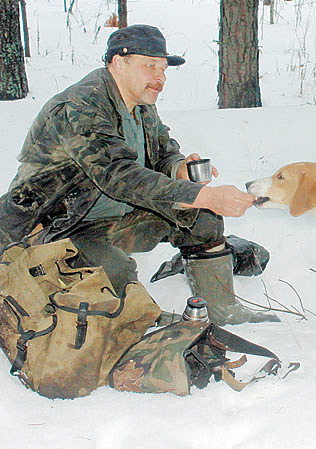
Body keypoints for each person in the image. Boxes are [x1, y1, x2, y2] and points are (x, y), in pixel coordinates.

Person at [0, 24, 278, 325]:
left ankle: (222, 311)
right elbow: (120, 176)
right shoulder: (82, 106)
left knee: (203, 218)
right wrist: (203, 195)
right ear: (119, 63)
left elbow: (163, 152)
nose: (160, 78)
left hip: (114, 218)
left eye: (163, 69)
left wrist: (178, 168)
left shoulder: (140, 103)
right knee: (115, 269)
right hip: (57, 229)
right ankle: (143, 322)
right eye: (150, 66)